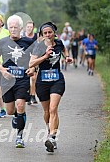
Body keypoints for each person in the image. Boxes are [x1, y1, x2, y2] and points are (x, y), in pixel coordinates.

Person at [29, 22, 73, 152]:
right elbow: (31, 63)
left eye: (50, 32)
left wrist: (68, 57)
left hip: (57, 81)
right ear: (42, 35)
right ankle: (50, 130)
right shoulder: (38, 47)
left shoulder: (59, 43)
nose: (48, 35)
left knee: (53, 109)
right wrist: (45, 56)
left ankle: (52, 137)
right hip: (42, 82)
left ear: (54, 33)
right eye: (45, 33)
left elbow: (65, 51)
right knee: (47, 111)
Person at [0, 15, 35, 148]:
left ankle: (19, 136)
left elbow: (36, 58)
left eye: (15, 27)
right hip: (7, 80)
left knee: (21, 105)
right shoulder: (2, 42)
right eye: (10, 27)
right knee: (10, 111)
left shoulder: (28, 42)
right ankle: (17, 116)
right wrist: (2, 70)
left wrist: (33, 67)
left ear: (21, 28)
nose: (13, 29)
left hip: (22, 79)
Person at [22, 20, 38, 105]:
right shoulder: (22, 36)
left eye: (31, 27)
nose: (29, 28)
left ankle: (33, 95)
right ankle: (28, 94)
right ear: (25, 27)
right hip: (24, 60)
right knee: (26, 78)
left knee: (33, 78)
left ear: (33, 28)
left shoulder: (36, 37)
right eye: (28, 27)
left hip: (34, 59)